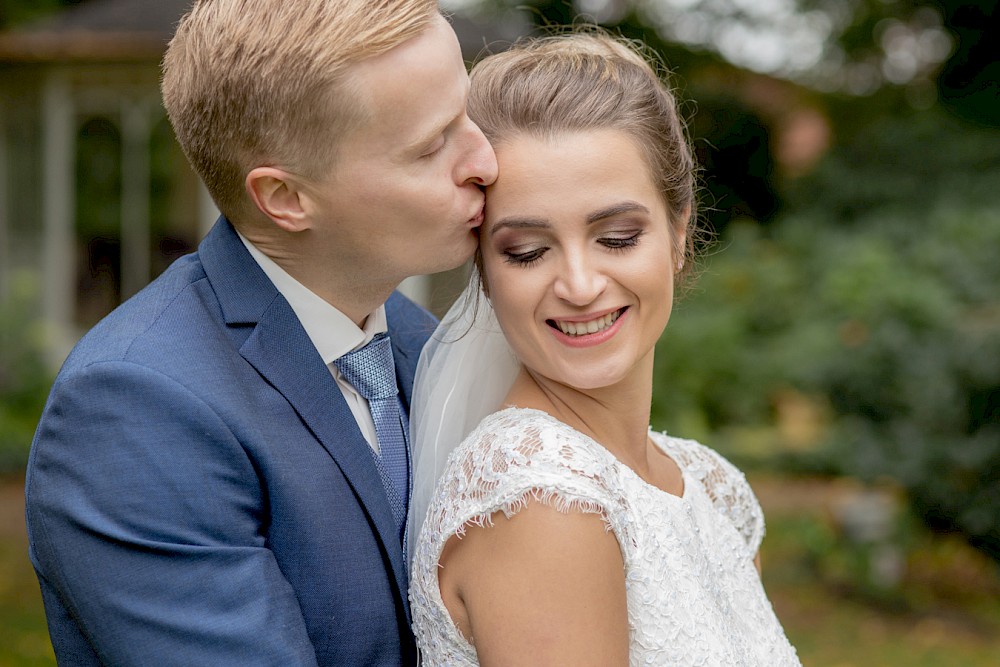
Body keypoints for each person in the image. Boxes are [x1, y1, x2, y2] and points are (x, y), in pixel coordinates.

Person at [24, 1, 497, 664]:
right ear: (285, 198)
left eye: (471, 114)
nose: (486, 160)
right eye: (431, 145)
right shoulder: (135, 407)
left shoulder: (430, 345)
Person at [407, 32, 801, 666]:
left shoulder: (712, 490)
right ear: (483, 270)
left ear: (677, 233)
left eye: (617, 237)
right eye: (527, 251)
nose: (581, 285)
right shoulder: (538, 499)